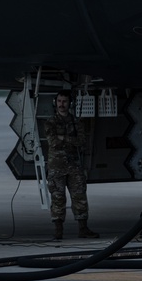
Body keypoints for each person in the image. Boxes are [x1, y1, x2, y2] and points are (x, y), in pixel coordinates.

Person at [43, 90, 99, 240]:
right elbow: (53, 142)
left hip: (74, 166)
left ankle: (83, 228)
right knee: (58, 198)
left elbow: (81, 141)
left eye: (65, 101)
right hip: (57, 167)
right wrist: (69, 139)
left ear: (70, 104)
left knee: (80, 196)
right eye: (59, 101)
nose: (62, 104)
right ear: (56, 103)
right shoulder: (50, 122)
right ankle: (58, 230)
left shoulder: (76, 122)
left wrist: (62, 137)